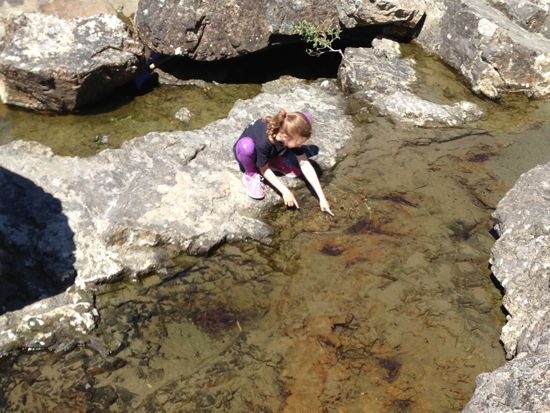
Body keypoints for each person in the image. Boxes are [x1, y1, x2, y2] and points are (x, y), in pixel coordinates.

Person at [233, 110, 334, 216]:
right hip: (246, 152)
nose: (301, 145)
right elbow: (264, 169)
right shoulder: (264, 142)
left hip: (271, 149)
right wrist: (285, 191)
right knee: (246, 147)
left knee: (288, 147)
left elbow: (305, 164)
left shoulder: (288, 130)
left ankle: (274, 159)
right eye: (299, 143)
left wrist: (322, 198)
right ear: (285, 137)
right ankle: (251, 173)